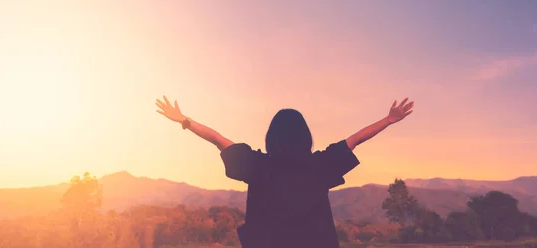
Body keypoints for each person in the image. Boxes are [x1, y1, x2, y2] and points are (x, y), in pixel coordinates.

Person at [155, 96, 414, 248]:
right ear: (305, 136)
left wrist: (185, 121)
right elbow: (356, 139)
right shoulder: (318, 165)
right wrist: (388, 120)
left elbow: (217, 139)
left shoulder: (256, 165)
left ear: (272, 137)